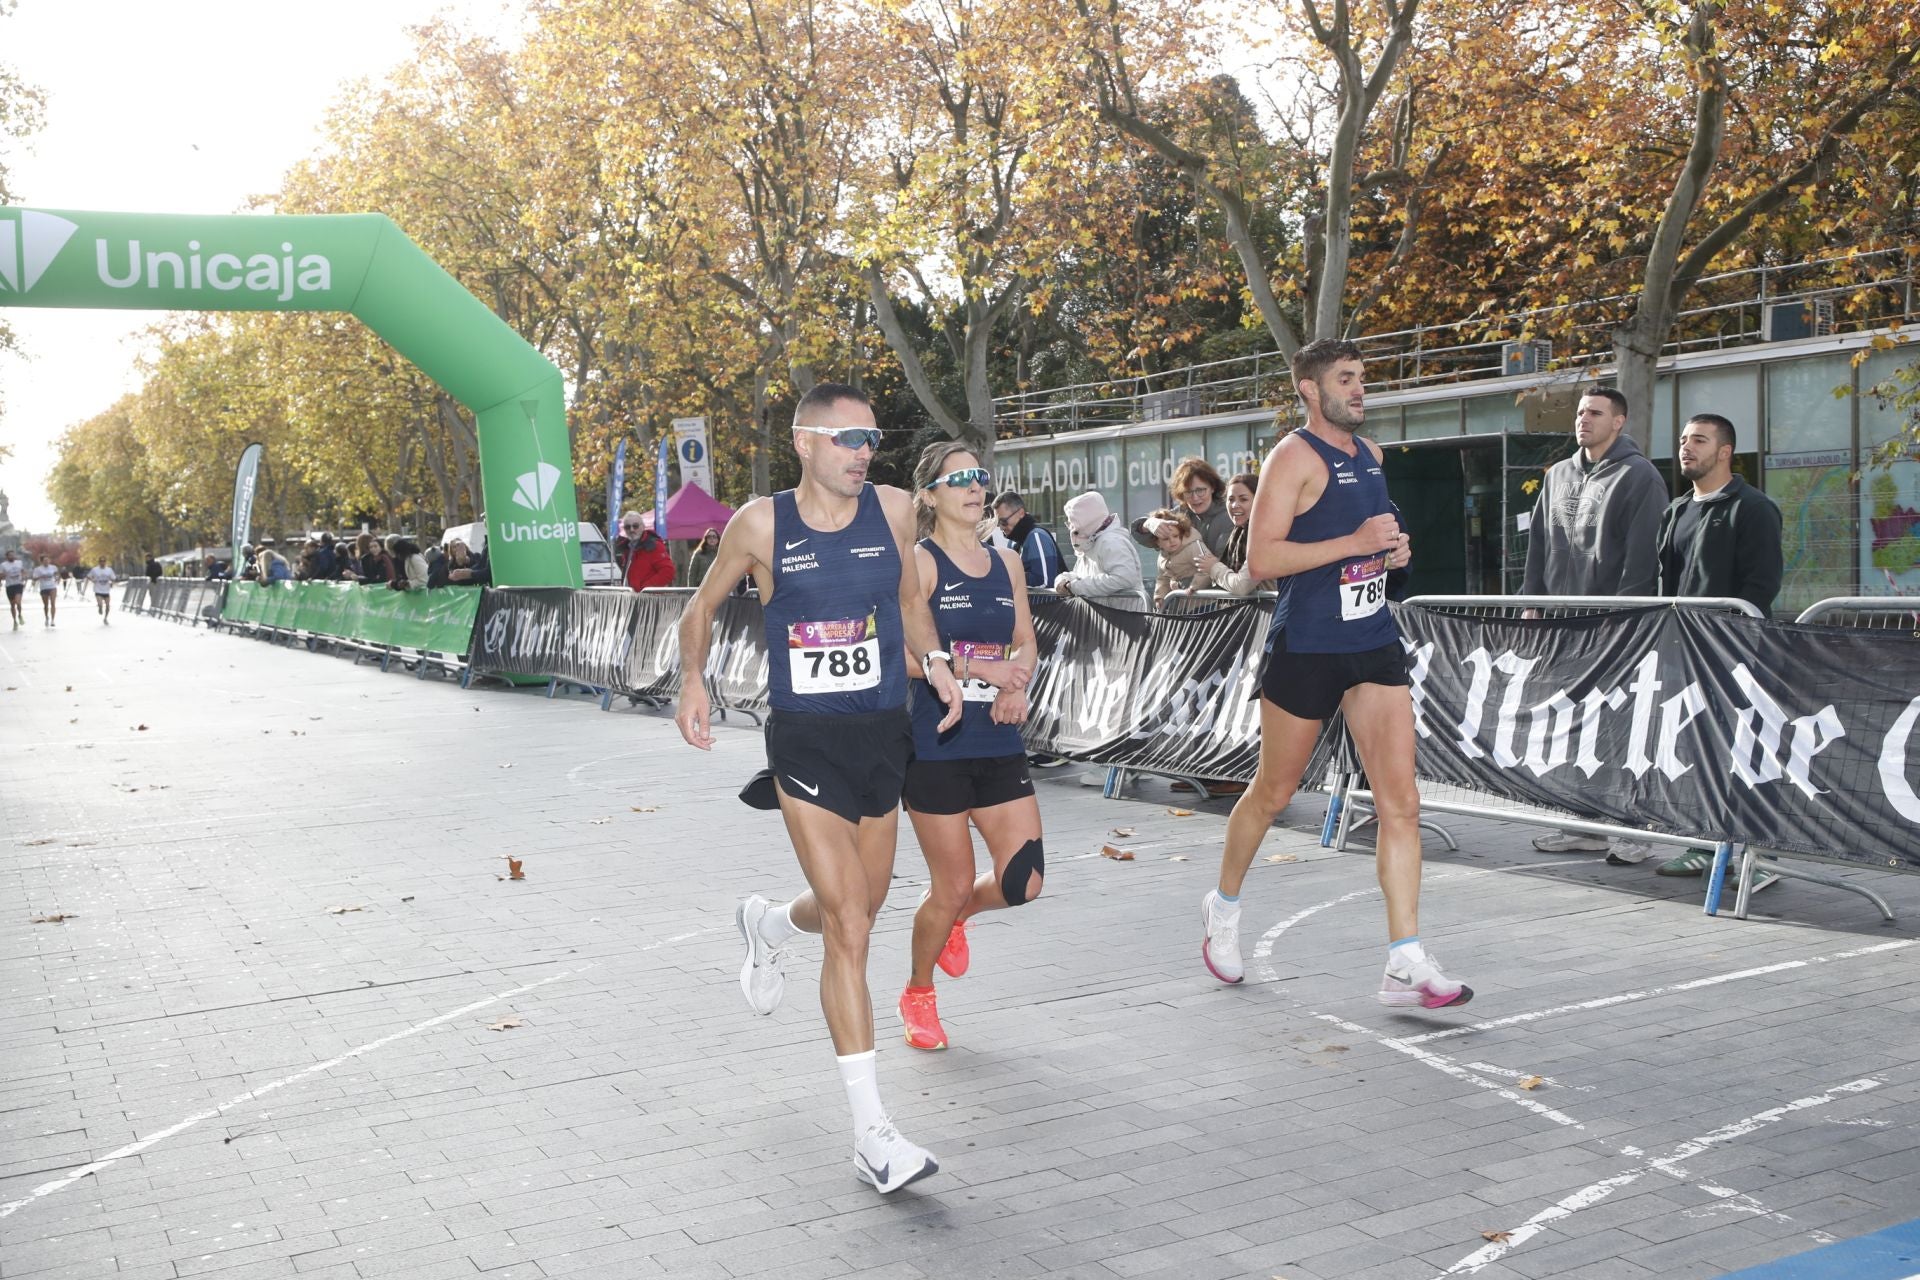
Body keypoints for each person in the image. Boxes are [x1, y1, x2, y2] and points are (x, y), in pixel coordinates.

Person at [672, 383, 962, 1195]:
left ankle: (766, 921)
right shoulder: (761, 524)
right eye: (845, 439)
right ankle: (873, 1133)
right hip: (805, 742)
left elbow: (909, 602)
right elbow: (699, 607)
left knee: (860, 905)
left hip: (883, 735)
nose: (862, 451)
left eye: (870, 437)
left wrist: (935, 663)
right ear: (805, 443)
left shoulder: (898, 512)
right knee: (849, 927)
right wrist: (692, 680)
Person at [1198, 338, 1471, 1009]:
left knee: (1400, 801)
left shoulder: (1373, 458)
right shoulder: (1292, 456)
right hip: (1309, 645)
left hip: (1373, 641)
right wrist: (1354, 546)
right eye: (1346, 380)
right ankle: (1223, 907)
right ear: (1311, 391)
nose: (1360, 390)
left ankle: (1404, 960)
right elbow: (1260, 559)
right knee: (1273, 790)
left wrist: (1395, 552)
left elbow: (1384, 546)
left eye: (1363, 378)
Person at [897, 442, 1043, 1054]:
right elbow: (901, 656)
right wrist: (978, 667)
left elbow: (1027, 642)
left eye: (979, 477)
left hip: (998, 739)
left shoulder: (1007, 562)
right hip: (936, 744)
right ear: (929, 494)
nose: (974, 487)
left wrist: (1017, 685)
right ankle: (918, 991)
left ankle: (957, 919)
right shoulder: (918, 563)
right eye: (958, 479)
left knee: (1024, 882)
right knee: (949, 882)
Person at [1518, 385, 1668, 860]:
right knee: (1573, 725)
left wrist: (1623, 618)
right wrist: (1530, 602)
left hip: (1613, 626)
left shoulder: (1639, 475)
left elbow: (1642, 557)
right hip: (1563, 628)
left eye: (1595, 413)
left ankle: (1637, 831)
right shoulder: (1558, 473)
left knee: (1623, 728)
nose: (1583, 419)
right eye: (1581, 412)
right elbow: (1539, 544)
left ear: (1619, 421)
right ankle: (1585, 825)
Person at [1653, 413, 1785, 889]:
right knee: (1696, 748)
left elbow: (1761, 585)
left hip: (1735, 654)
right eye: (1684, 438)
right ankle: (1702, 844)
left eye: (1700, 441)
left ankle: (1755, 857)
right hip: (1683, 652)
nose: (1687, 447)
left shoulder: (1753, 508)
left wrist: (1736, 641)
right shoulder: (1675, 511)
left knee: (1742, 752)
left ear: (1725, 451)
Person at [1052, 491, 1146, 610]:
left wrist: (1075, 587)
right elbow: (1082, 575)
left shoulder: (1111, 542)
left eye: (1072, 520)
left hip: (1126, 618)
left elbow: (1123, 578)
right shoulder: (1091, 542)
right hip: (1112, 618)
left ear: (1085, 519)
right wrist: (1064, 579)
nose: (1070, 526)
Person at [1133, 457, 1233, 558]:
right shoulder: (1179, 515)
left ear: (1213, 487)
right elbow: (1145, 538)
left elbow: (1224, 559)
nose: (1195, 497)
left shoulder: (1230, 516)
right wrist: (1149, 524)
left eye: (1200, 490)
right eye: (1188, 492)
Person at [1194, 472, 1272, 596]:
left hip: (1266, 613)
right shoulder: (1238, 533)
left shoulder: (1266, 535)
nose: (1235, 505)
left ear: (1259, 501)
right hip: (1246, 612)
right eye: (1231, 499)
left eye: (1243, 499)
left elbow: (1241, 586)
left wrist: (1214, 567)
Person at [990, 491, 1063, 590]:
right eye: (998, 523)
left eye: (1003, 522)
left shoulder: (1036, 536)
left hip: (1046, 603)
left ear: (1021, 513)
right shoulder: (1014, 541)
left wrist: (1007, 575)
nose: (1001, 528)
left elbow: (1045, 582)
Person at [1144, 508, 1207, 607]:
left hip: (1203, 604)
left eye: (1175, 536)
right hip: (1182, 606)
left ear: (1181, 533)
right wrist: (1159, 597)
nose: (1172, 541)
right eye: (1165, 539)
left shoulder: (1193, 547)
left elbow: (1207, 569)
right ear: (1157, 542)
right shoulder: (1162, 556)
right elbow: (1163, 578)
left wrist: (1192, 587)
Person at [616, 514, 675, 590]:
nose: (631, 530)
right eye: (627, 527)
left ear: (643, 527)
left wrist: (645, 589)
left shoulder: (654, 545)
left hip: (650, 599)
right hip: (632, 598)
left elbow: (668, 572)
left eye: (635, 526)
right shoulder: (627, 549)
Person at [33, 555, 61, 625]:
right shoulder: (38, 569)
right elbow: (34, 578)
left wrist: (57, 579)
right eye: (45, 560)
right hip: (44, 588)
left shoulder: (53, 567)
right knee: (46, 605)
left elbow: (57, 574)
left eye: (47, 560)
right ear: (42, 561)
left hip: (52, 587)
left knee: (53, 603)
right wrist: (41, 576)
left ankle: (52, 620)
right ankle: (46, 618)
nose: (46, 562)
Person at [3, 548, 23, 628]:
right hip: (9, 586)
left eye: (13, 555)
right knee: (12, 605)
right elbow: (1, 575)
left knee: (18, 602)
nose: (12, 556)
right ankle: (14, 621)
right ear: (7, 557)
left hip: (18, 584)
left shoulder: (19, 562)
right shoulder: (3, 565)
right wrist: (4, 575)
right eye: (10, 555)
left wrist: (24, 576)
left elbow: (23, 571)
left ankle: (20, 615)